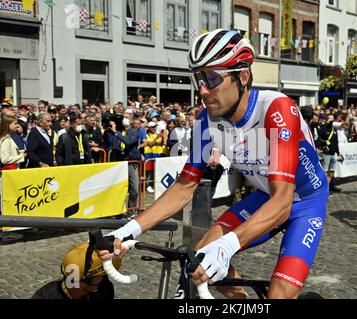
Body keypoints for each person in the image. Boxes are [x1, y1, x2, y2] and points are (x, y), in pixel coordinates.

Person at [99, 29, 329, 299]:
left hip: (304, 203)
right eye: (198, 78)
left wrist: (227, 245)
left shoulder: (276, 110)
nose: (203, 90)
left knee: (278, 295)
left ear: (242, 77)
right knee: (200, 260)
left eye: (212, 78)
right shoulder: (207, 122)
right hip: (266, 196)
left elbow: (283, 200)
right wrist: (128, 230)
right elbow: (184, 186)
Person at [32, 243, 121, 299]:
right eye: (99, 276)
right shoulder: (44, 296)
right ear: (80, 282)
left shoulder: (104, 288)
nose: (102, 278)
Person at [109, 117, 141, 216]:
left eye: (127, 117)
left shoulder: (134, 131)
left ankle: (131, 210)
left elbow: (129, 141)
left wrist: (116, 132)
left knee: (134, 188)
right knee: (119, 189)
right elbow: (112, 145)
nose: (125, 119)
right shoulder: (116, 132)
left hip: (131, 163)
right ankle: (117, 210)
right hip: (119, 163)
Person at [318, 113, 343, 193]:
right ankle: (322, 190)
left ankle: (326, 189)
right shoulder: (323, 128)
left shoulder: (334, 129)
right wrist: (327, 123)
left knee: (331, 173)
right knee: (324, 172)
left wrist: (338, 153)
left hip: (333, 154)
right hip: (326, 154)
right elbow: (321, 134)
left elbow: (336, 142)